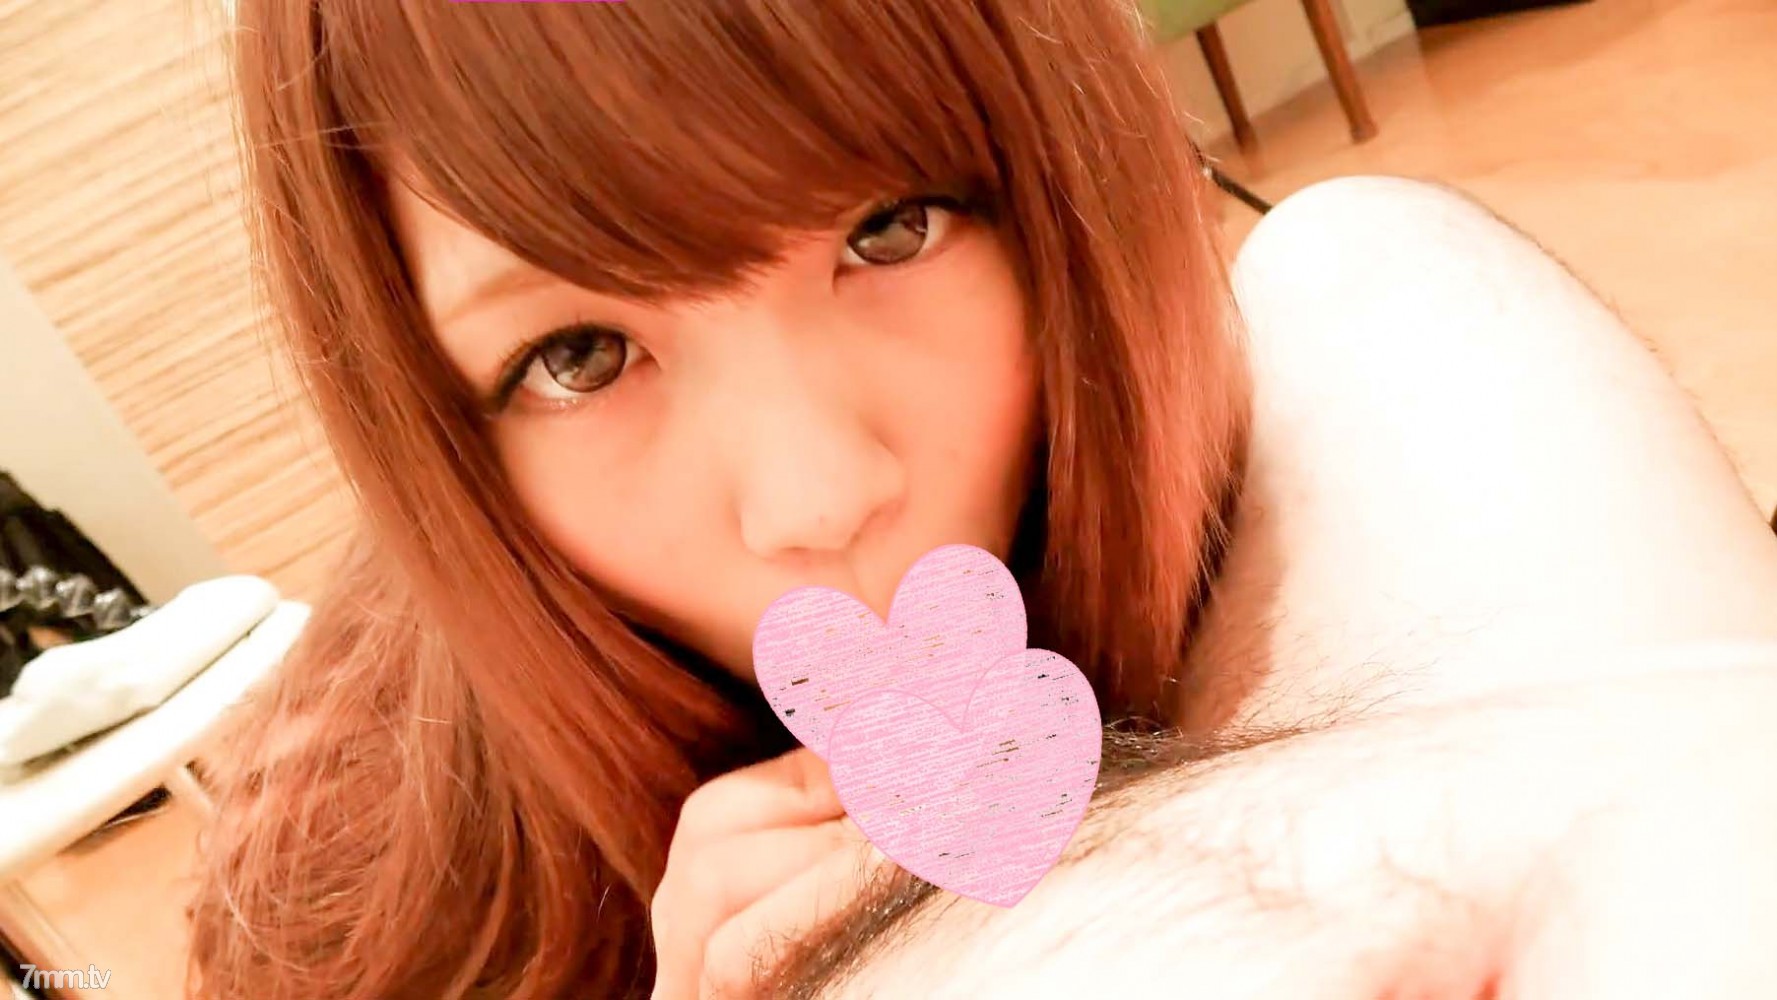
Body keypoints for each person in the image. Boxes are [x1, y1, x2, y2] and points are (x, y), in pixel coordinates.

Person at [187, 2, 1777, 999]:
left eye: (889, 230)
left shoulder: (1367, 385)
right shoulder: (348, 876)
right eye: (579, 355)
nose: (817, 495)